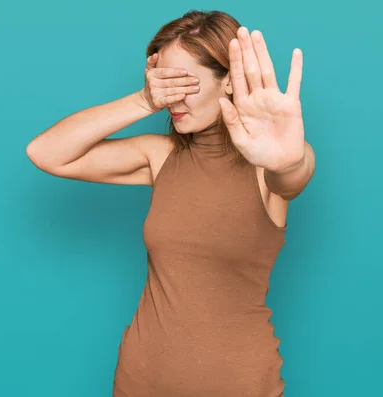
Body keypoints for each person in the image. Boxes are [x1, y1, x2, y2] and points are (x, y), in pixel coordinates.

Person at [26, 9, 315, 397]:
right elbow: (46, 152)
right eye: (164, 82)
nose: (171, 97)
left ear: (229, 81)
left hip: (237, 385)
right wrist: (143, 101)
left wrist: (290, 160)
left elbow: (293, 175)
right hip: (140, 380)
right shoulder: (160, 157)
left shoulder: (272, 165)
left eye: (185, 82)